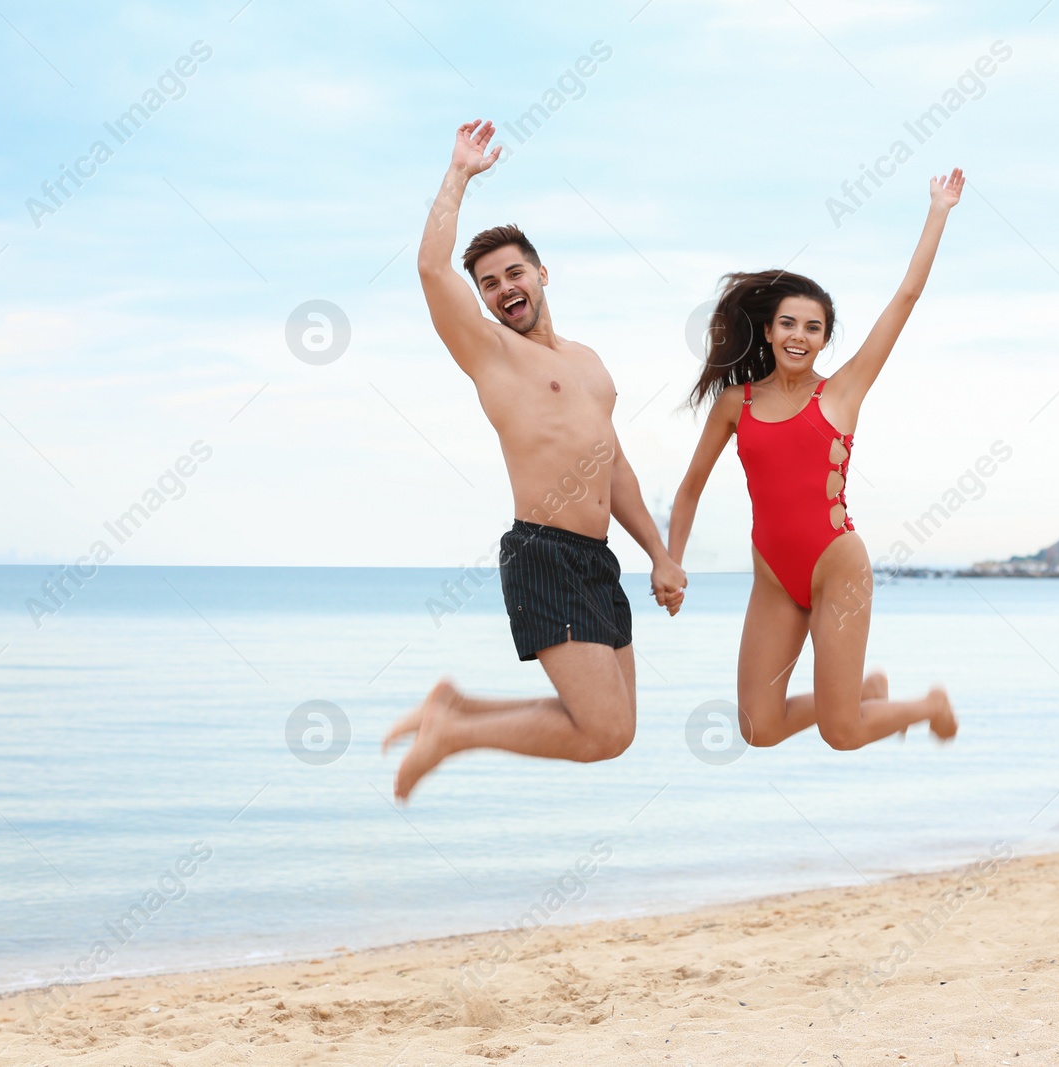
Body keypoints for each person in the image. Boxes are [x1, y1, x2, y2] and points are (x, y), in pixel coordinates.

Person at [383, 120, 687, 801]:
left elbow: (616, 468)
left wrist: (660, 556)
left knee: (618, 730)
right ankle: (454, 731)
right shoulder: (490, 352)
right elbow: (432, 269)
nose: (502, 289)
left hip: (597, 558)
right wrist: (459, 174)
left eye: (514, 273)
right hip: (544, 553)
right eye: (489, 283)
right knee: (601, 732)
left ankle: (454, 711)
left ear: (542, 274)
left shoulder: (590, 364)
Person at [666, 170, 967, 752]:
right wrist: (672, 563)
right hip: (773, 577)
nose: (799, 336)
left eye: (813, 327)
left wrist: (938, 211)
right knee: (757, 729)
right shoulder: (737, 402)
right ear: (769, 331)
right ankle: (863, 692)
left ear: (825, 339)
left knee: (842, 733)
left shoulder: (843, 392)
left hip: (836, 566)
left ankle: (924, 704)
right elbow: (688, 490)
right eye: (788, 324)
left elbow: (905, 297)